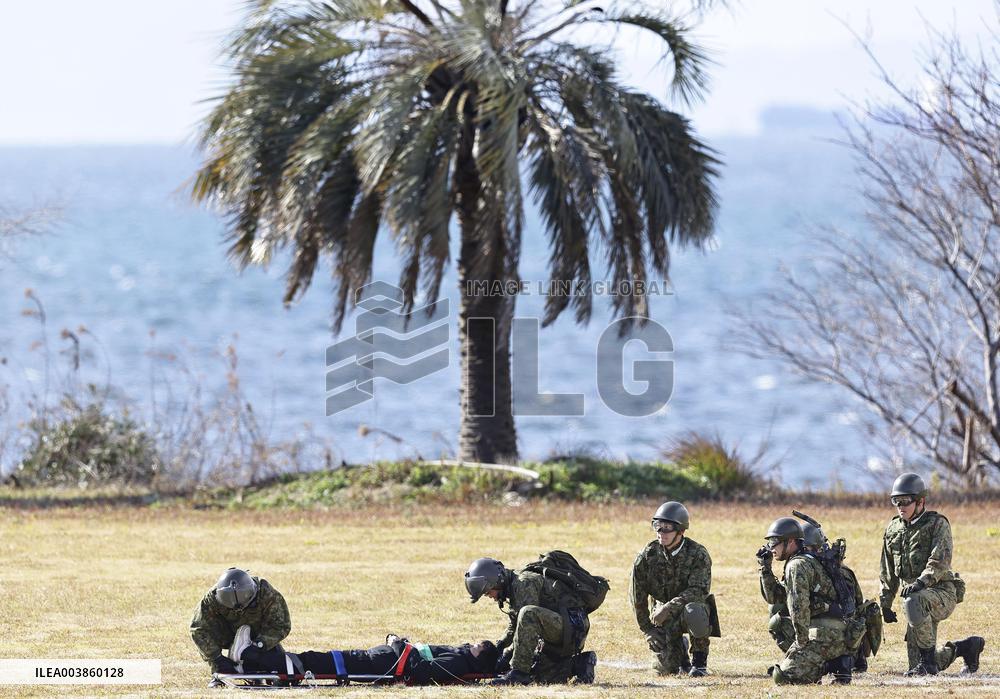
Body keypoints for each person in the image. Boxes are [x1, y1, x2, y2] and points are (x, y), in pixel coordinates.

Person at [879, 473, 985, 675]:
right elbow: (887, 570)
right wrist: (885, 603)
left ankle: (927, 663)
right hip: (914, 599)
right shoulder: (893, 529)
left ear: (921, 501)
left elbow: (939, 562)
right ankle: (966, 648)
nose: (900, 506)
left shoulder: (937, 524)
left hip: (941, 592)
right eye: (896, 501)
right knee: (914, 665)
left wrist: (921, 582)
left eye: (905, 501)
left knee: (913, 602)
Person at [759, 515, 873, 672]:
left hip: (828, 636)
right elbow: (776, 597)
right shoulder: (833, 567)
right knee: (778, 614)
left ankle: (830, 665)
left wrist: (800, 646)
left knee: (784, 676)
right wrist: (765, 569)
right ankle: (844, 660)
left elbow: (799, 608)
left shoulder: (800, 565)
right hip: (850, 637)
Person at [464, 556, 597, 685]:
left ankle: (519, 673)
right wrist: (499, 647)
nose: (489, 597)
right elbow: (515, 626)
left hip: (571, 627)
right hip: (563, 627)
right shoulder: (513, 585)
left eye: (488, 592)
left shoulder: (523, 583)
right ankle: (580, 663)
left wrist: (507, 657)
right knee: (540, 675)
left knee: (527, 614)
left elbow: (526, 623)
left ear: (496, 582)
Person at [230, 627, 499, 685]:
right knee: (319, 658)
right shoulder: (461, 655)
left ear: (480, 657)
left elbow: (421, 672)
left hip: (383, 664)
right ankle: (250, 663)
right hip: (385, 657)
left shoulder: (460, 662)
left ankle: (248, 653)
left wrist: (400, 646)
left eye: (476, 646)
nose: (471, 644)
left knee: (315, 662)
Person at [630, 501, 717, 677]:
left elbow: (699, 591)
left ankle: (699, 663)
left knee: (695, 610)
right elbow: (637, 596)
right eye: (657, 526)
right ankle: (680, 652)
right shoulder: (647, 556)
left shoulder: (698, 554)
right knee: (665, 670)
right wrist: (648, 629)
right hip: (661, 617)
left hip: (687, 611)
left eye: (667, 527)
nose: (661, 532)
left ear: (681, 530)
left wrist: (668, 608)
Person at [190, 568, 291, 688]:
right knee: (207, 635)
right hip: (227, 633)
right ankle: (219, 674)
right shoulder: (211, 599)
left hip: (259, 633)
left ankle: (272, 669)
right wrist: (217, 659)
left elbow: (281, 625)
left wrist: (260, 644)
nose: (238, 609)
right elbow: (198, 629)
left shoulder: (266, 593)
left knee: (277, 663)